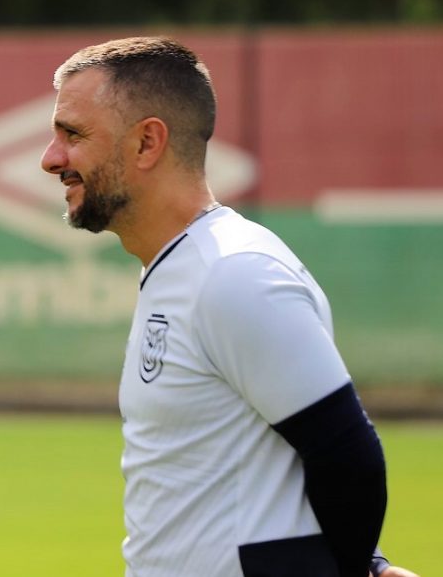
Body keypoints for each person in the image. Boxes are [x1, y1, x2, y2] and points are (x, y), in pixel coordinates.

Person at [39, 37, 417, 577]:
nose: (50, 158)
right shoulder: (180, 267)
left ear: (147, 143)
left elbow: (346, 454)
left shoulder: (234, 273)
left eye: (72, 134)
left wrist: (361, 567)